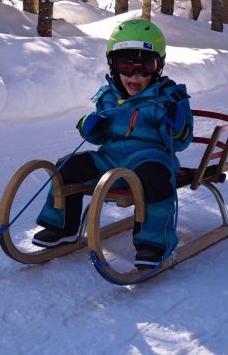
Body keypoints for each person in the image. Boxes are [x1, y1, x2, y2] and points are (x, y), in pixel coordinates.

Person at [32, 19, 193, 268]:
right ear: (113, 65)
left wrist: (176, 123)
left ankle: (154, 242)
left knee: (156, 177)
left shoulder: (170, 98)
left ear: (158, 66)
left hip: (149, 160)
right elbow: (99, 137)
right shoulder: (108, 96)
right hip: (109, 160)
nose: (135, 75)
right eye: (126, 65)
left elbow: (181, 142)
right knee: (67, 166)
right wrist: (89, 125)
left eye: (145, 66)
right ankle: (61, 227)